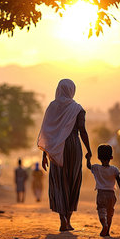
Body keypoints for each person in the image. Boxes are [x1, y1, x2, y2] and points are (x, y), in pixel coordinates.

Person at [37, 78, 92, 231]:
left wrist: (44, 155)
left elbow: (47, 132)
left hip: (55, 149)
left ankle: (63, 220)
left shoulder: (52, 107)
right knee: (73, 180)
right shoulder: (77, 108)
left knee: (59, 182)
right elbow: (82, 130)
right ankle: (68, 220)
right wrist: (89, 150)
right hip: (74, 147)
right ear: (72, 90)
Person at [86, 144, 120, 237]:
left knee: (101, 211)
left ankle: (104, 225)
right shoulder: (114, 169)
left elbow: (89, 166)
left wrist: (88, 158)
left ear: (98, 157)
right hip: (112, 194)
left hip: (101, 194)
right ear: (111, 157)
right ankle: (107, 231)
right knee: (110, 213)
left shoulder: (96, 167)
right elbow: (119, 181)